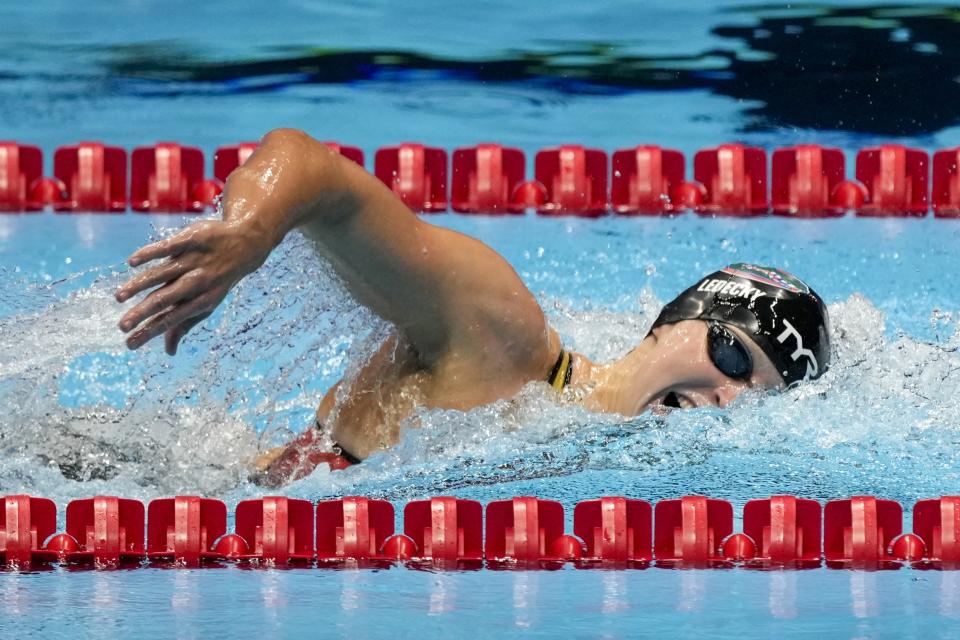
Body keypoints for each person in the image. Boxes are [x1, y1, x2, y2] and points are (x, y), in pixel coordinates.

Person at [115, 129, 831, 486]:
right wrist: (249, 234)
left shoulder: (593, 463)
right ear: (675, 320)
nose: (725, 397)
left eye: (753, 393)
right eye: (732, 353)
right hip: (163, 491)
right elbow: (307, 164)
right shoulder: (503, 337)